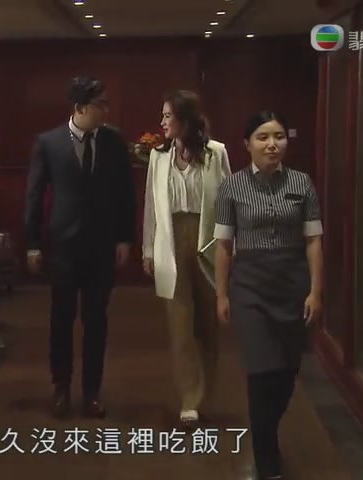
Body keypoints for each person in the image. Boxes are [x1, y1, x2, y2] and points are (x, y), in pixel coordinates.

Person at [213, 110, 323, 479]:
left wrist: (315, 291)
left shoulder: (302, 184)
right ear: (247, 144)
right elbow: (223, 246)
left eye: (278, 136)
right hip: (250, 287)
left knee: (287, 372)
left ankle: (266, 430)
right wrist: (222, 294)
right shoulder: (232, 187)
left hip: (292, 284)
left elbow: (313, 241)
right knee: (261, 373)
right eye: (263, 137)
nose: (272, 144)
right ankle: (266, 461)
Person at [24, 76, 136, 419]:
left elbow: (125, 193)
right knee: (61, 319)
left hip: (101, 246)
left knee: (96, 320)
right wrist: (32, 244)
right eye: (100, 105)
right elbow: (34, 195)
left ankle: (92, 392)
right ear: (80, 107)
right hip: (62, 246)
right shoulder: (49, 143)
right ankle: (60, 388)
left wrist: (124, 237)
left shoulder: (114, 141)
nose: (106, 110)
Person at [141, 90, 231, 428]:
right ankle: (189, 399)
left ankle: (207, 392)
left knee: (207, 323)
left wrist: (230, 246)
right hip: (171, 241)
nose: (162, 122)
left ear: (185, 119)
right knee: (180, 324)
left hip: (208, 240)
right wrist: (148, 249)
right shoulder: (158, 156)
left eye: (168, 116)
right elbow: (151, 206)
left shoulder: (215, 153)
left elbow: (228, 201)